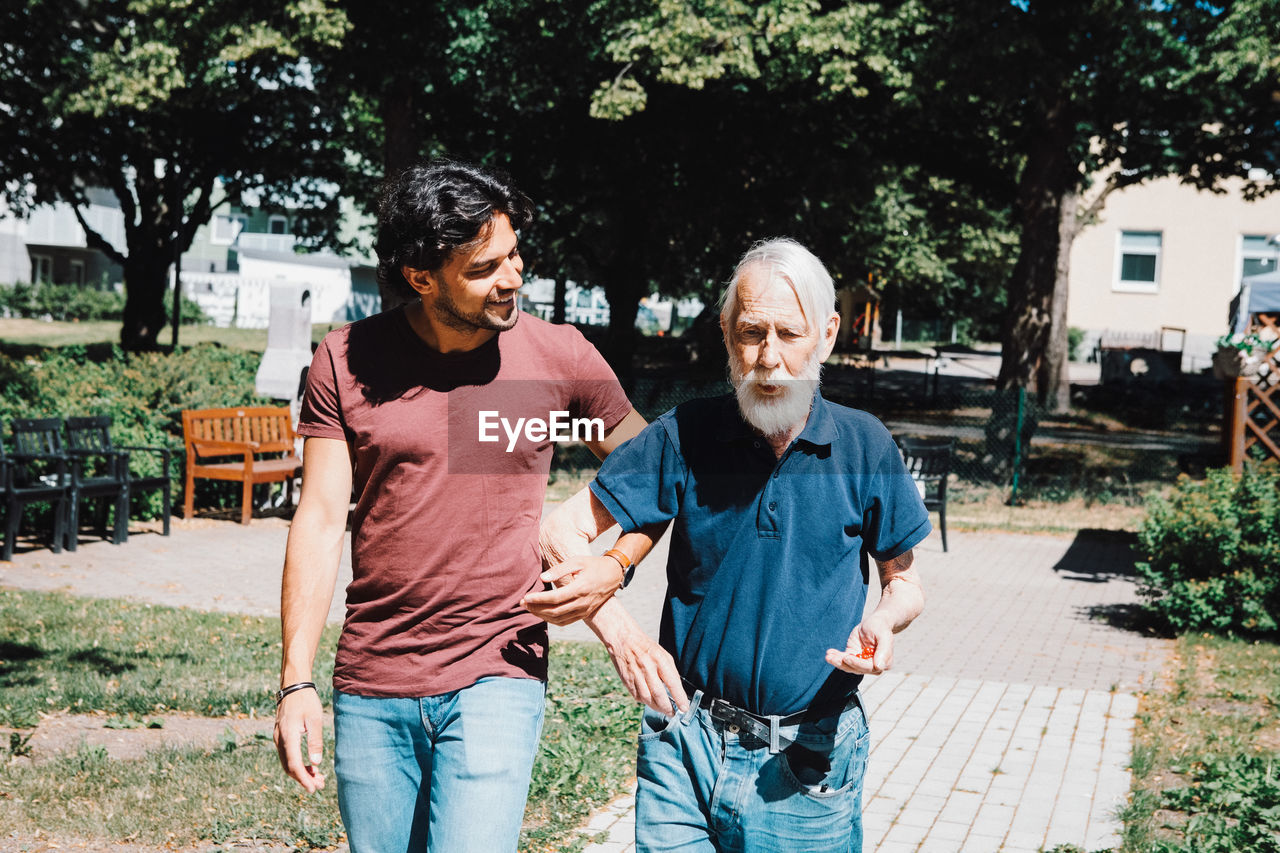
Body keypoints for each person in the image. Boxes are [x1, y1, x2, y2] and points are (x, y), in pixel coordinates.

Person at [273, 159, 652, 853]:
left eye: (514, 255)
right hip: (374, 674)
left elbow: (656, 468)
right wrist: (296, 679)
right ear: (422, 276)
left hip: (497, 665)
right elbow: (322, 519)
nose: (511, 278)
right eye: (485, 268)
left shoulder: (556, 355)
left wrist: (612, 560)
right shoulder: (345, 358)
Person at [532, 238, 930, 853]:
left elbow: (903, 582)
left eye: (789, 334)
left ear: (825, 336)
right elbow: (560, 530)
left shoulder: (865, 447)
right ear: (725, 332)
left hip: (805, 761)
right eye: (751, 332)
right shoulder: (685, 434)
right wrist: (623, 636)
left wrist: (884, 619)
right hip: (682, 745)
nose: (768, 357)